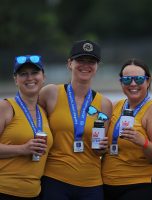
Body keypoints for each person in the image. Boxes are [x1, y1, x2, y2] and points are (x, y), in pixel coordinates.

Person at [38, 40, 112, 200]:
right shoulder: (50, 93)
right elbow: (31, 120)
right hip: (54, 180)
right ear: (69, 63)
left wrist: (102, 148)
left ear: (97, 67)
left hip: (91, 184)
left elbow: (100, 148)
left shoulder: (105, 104)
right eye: (80, 60)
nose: (86, 65)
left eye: (91, 61)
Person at [101, 58, 152, 200]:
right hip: (107, 183)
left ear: (148, 81)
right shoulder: (115, 106)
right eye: (127, 80)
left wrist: (142, 141)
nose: (133, 84)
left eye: (138, 79)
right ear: (121, 82)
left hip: (140, 184)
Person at [0, 55, 53, 199]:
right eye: (23, 74)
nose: (30, 78)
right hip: (5, 190)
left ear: (43, 77)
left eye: (35, 73)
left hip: (34, 192)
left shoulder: (44, 111)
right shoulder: (5, 107)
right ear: (15, 80)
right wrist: (22, 149)